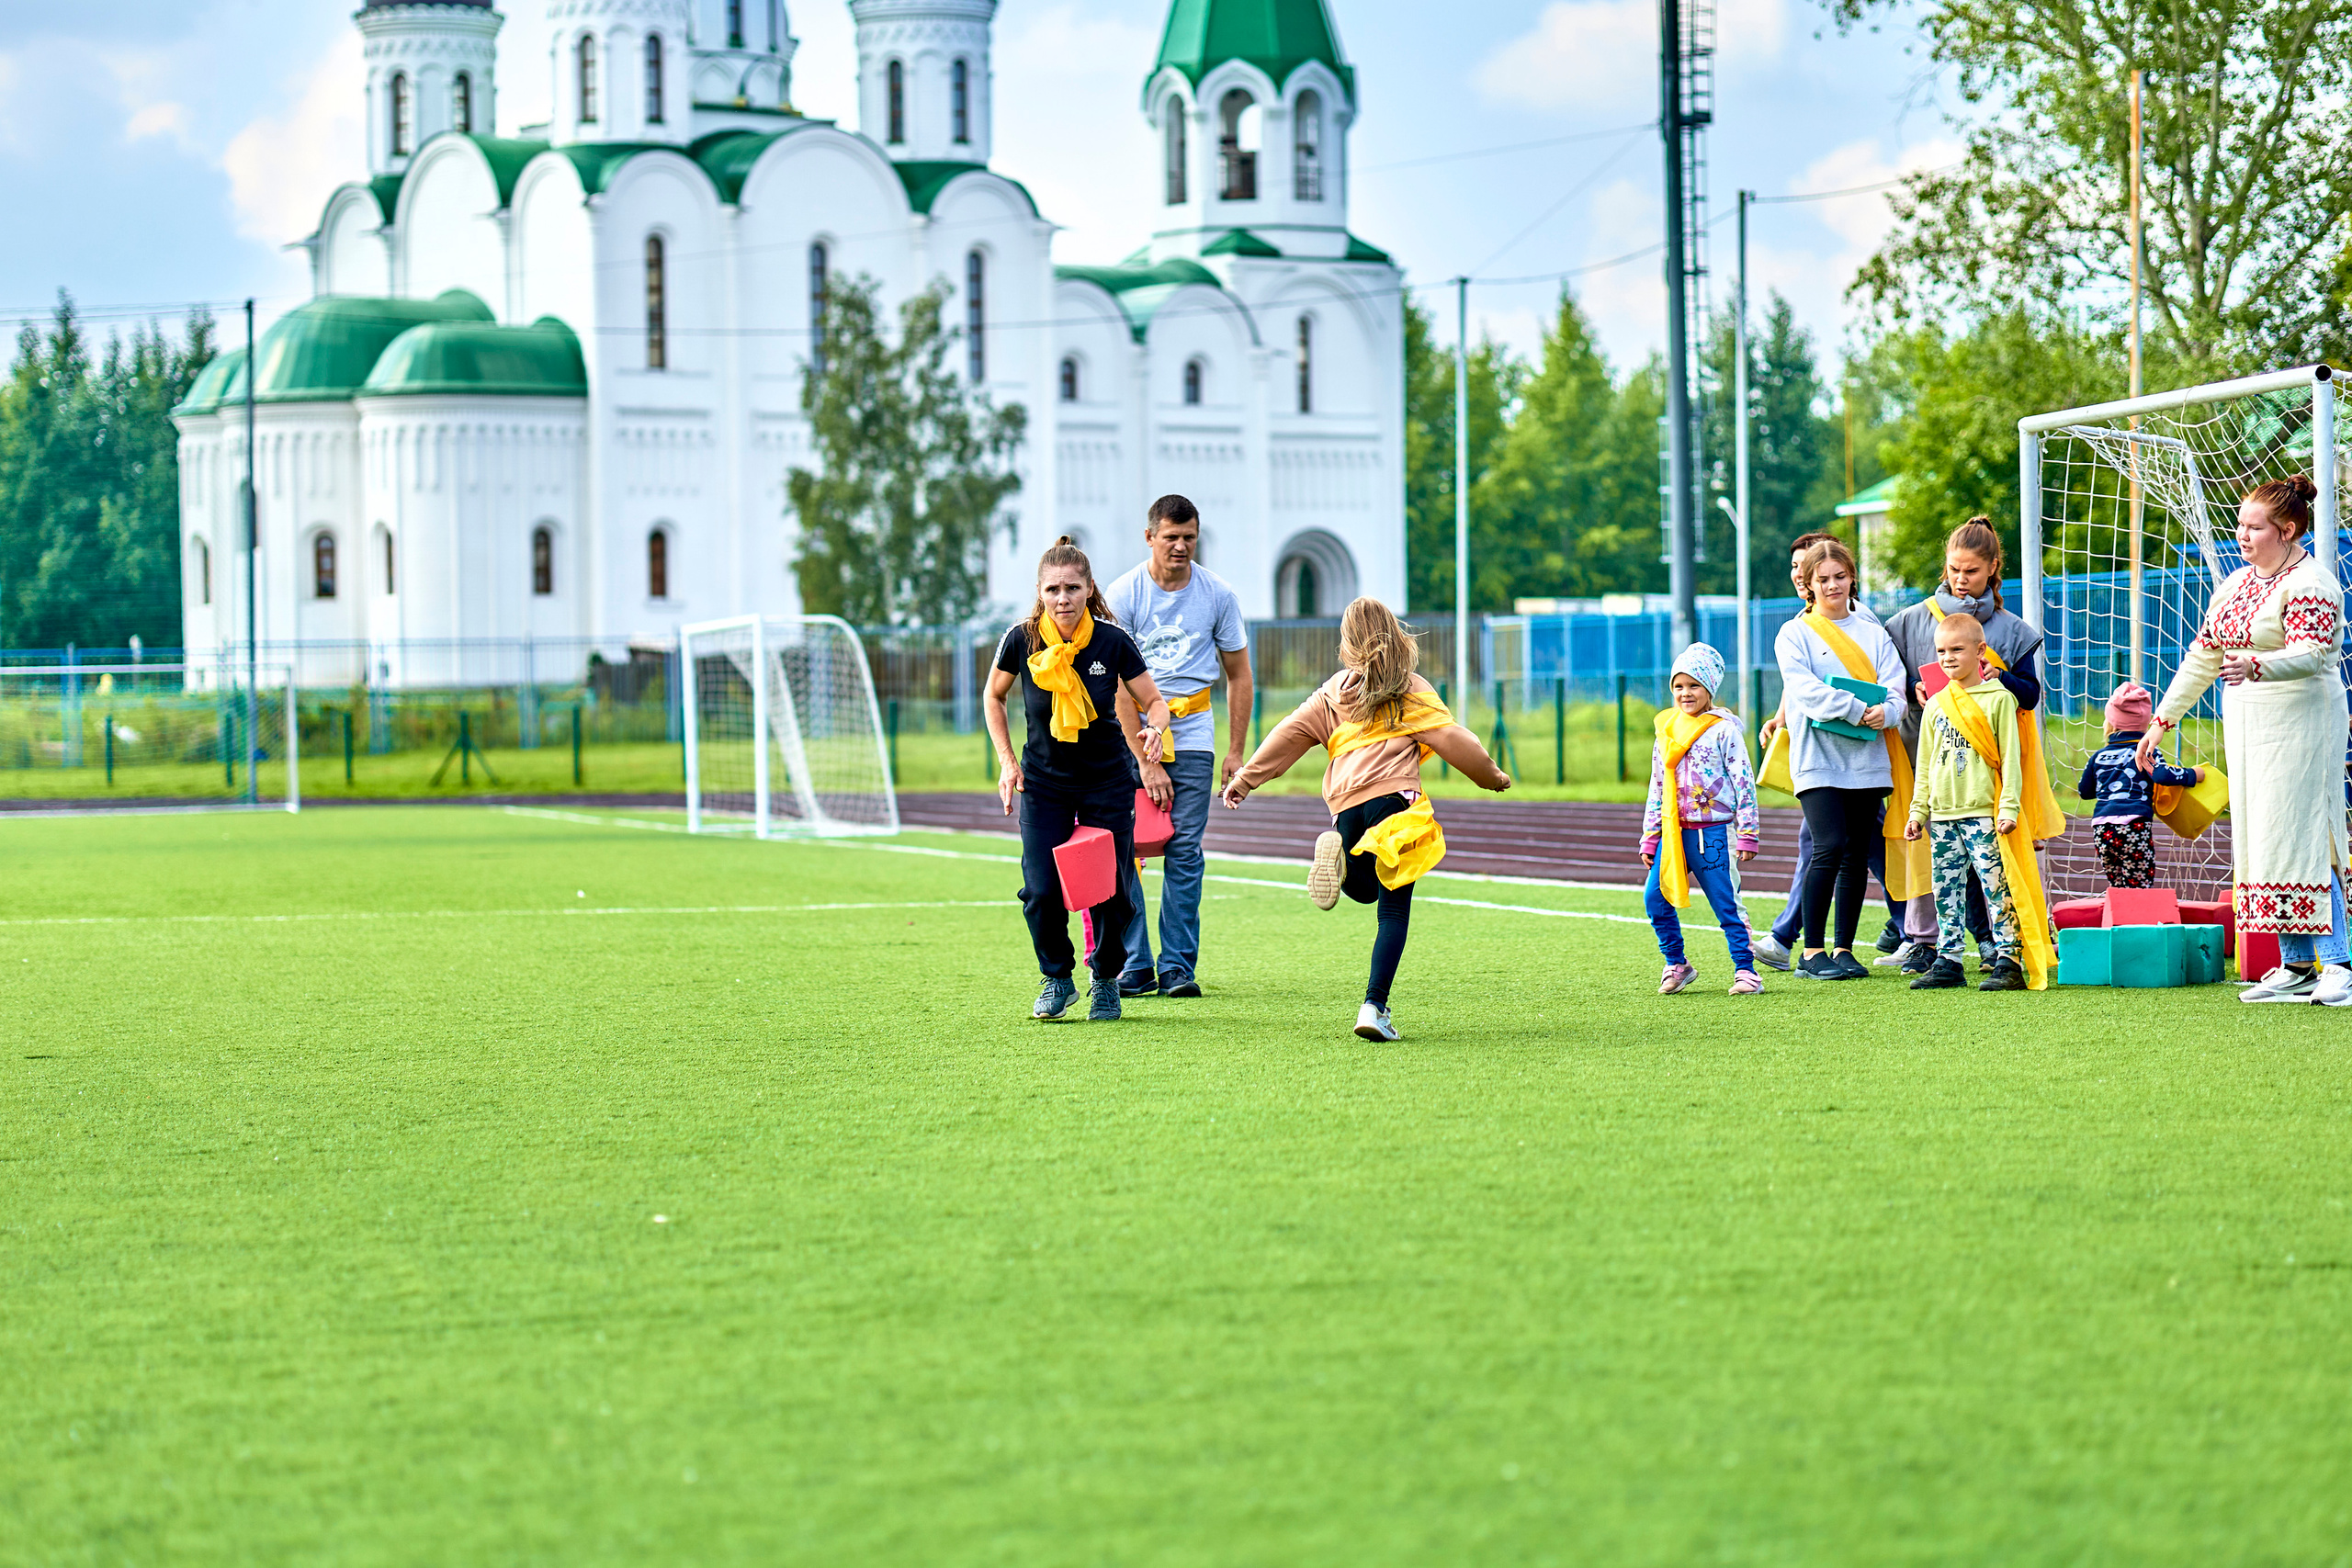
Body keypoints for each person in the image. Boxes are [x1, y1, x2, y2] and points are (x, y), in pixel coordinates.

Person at [1222, 597, 1511, 1041]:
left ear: (1347, 643)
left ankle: (1340, 860)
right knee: (1392, 910)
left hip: (1345, 806)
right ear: (1395, 633)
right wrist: (1491, 777)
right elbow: (1453, 738)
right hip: (1395, 803)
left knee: (1362, 889)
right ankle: (1375, 1007)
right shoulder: (1408, 687)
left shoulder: (1332, 693)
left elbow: (1289, 733)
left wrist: (1246, 779)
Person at [2143, 475, 2352, 1004]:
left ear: (2287, 531)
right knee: (2267, 837)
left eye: (2254, 527)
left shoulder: (2311, 582)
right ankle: (2297, 966)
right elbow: (2204, 656)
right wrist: (2162, 720)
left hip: (2303, 724)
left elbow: (2313, 653)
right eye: (2241, 525)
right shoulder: (2235, 585)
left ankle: (2339, 965)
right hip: (2249, 730)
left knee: (2307, 835)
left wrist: (2257, 664)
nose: (2242, 535)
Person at [984, 537, 1173, 1023]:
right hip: (1044, 784)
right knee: (1040, 890)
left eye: (1072, 588)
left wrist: (1154, 730)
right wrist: (1007, 761)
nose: (1063, 598)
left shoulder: (1112, 641)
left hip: (1107, 781)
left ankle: (1106, 979)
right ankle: (1057, 978)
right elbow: (993, 696)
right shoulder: (1021, 639)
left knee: (1112, 890)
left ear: (1089, 588)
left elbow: (1154, 702)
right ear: (1040, 592)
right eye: (1053, 589)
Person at [1882, 518, 2054, 975]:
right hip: (1936, 767)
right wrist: (1913, 688)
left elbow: (2030, 694)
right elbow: (1890, 675)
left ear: (1993, 568)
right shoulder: (1911, 620)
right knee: (1944, 874)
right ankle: (1931, 945)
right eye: (1954, 569)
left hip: (1987, 773)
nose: (1960, 579)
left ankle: (2005, 950)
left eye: (1971, 571)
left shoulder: (2012, 630)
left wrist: (2002, 679)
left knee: (1993, 871)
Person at [1106, 494, 1253, 998]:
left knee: (1184, 849)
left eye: (1189, 537)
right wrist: (1144, 761)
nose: (1181, 546)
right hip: (1131, 733)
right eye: (1171, 537)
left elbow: (1239, 675)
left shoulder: (1218, 595)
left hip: (1192, 735)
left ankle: (1176, 967)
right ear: (1150, 537)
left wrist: (1235, 750)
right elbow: (1116, 685)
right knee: (1123, 848)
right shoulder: (1123, 595)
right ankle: (1135, 963)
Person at [1751, 532, 1905, 969]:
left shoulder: (1873, 632)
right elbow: (1805, 691)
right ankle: (1811, 951)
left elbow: (1895, 685)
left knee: (1855, 855)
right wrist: (1859, 710)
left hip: (1868, 759)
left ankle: (1843, 949)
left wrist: (1888, 712)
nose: (1832, 585)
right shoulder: (1794, 633)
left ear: (1852, 578)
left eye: (1840, 576)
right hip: (1817, 758)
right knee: (1829, 846)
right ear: (1809, 584)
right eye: (1823, 578)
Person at [1901, 613, 2052, 990]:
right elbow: (1925, 764)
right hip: (1943, 816)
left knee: (1996, 887)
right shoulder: (1936, 704)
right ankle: (1949, 960)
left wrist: (2009, 807)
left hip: (1984, 814)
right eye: (1941, 651)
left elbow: (2011, 759)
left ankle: (2008, 959)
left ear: (1980, 650)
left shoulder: (2000, 699)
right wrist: (1918, 811)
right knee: (1945, 890)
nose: (1948, 658)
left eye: (1956, 649)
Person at [1641, 643, 1763, 996]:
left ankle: (1746, 971)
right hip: (1672, 833)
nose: (1685, 693)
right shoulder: (1666, 730)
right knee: (1655, 899)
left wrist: (1748, 832)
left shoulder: (1724, 731)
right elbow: (1657, 785)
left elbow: (1743, 782)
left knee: (1726, 904)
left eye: (1694, 685)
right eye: (1678, 686)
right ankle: (1677, 963)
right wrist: (1650, 835)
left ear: (1709, 688)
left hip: (1713, 834)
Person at [2077, 682, 2203, 888]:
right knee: (2139, 887)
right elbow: (2162, 774)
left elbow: (2084, 791)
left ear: (2110, 723)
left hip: (2102, 829)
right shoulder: (2146, 751)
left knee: (2118, 888)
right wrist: (2193, 775)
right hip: (2134, 827)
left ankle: (2119, 909)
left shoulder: (2098, 756)